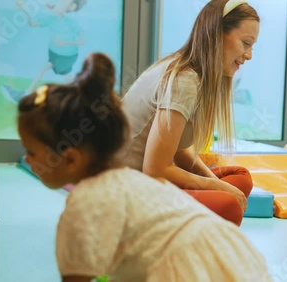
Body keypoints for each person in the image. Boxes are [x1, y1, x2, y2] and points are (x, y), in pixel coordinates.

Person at [17, 52, 272, 282]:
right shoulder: (131, 181)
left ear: (71, 159)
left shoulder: (82, 204)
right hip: (236, 258)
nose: (27, 159)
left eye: (31, 151)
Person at [120, 0, 259, 226]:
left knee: (240, 179)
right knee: (229, 205)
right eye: (246, 43)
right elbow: (155, 170)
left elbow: (179, 150)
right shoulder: (185, 80)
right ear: (216, 34)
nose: (249, 55)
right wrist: (220, 188)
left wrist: (216, 183)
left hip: (151, 180)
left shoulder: (196, 75)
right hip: (130, 185)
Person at [3, 0, 86, 103]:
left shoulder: (71, 23)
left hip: (65, 56)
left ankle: (82, 97)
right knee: (53, 72)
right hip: (54, 54)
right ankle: (26, 95)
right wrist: (24, 9)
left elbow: (82, 40)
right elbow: (33, 23)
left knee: (66, 76)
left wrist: (65, 42)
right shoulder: (52, 19)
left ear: (72, 7)